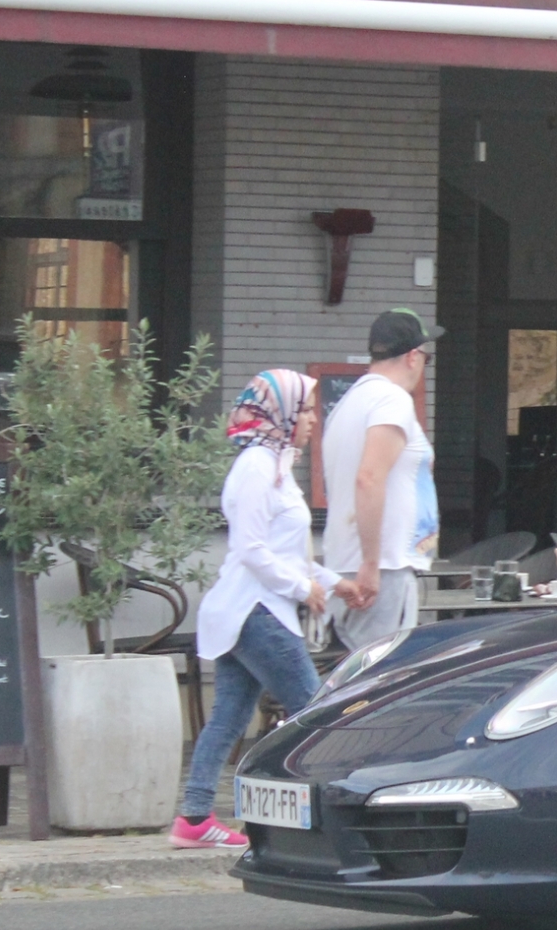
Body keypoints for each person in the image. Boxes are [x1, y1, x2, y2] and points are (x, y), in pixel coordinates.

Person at [177, 370, 339, 850]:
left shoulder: (275, 466)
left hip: (250, 610)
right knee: (315, 713)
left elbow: (288, 552)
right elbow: (251, 550)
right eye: (305, 410)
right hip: (255, 611)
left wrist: (335, 584)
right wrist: (303, 587)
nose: (313, 419)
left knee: (229, 716)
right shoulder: (255, 468)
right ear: (281, 414)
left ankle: (194, 818)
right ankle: (320, 814)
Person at [324, 308, 441, 652]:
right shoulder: (392, 400)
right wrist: (372, 564)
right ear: (413, 356)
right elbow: (369, 478)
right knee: (376, 682)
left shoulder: (349, 402)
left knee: (353, 674)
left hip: (352, 559)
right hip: (384, 565)